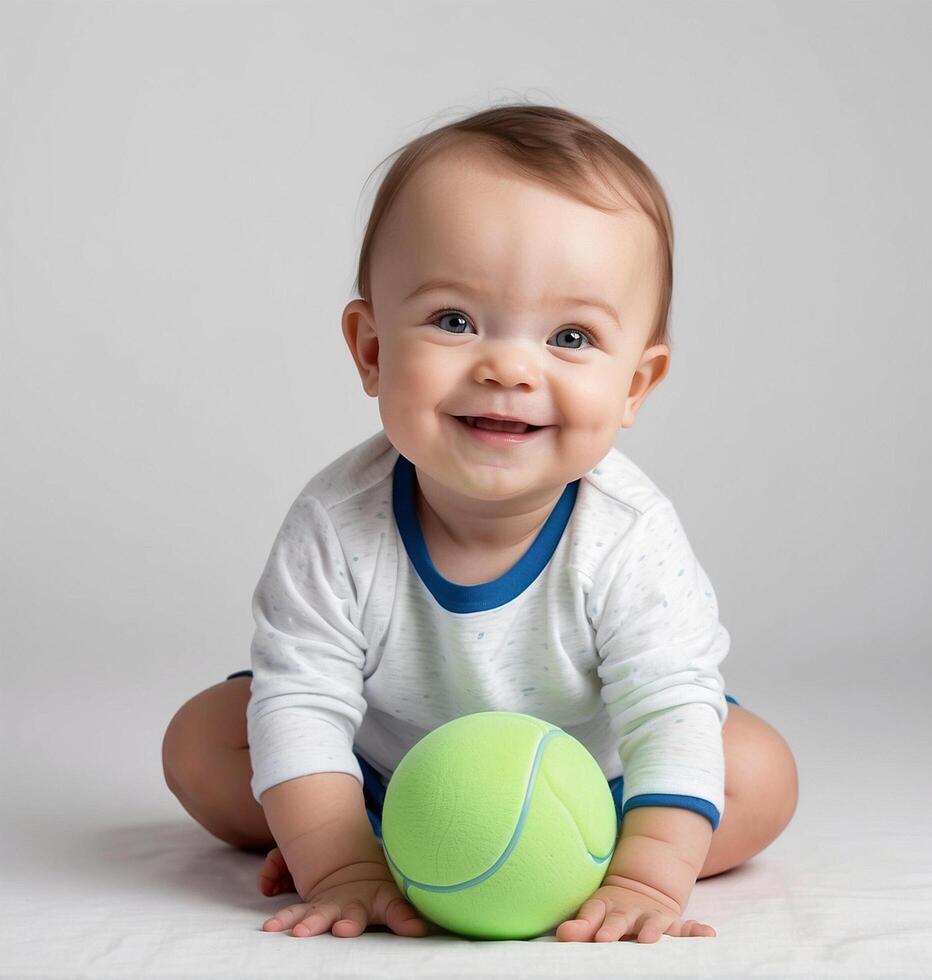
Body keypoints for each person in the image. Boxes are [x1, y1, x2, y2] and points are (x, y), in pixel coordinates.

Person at [161, 103, 798, 944]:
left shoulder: (628, 533)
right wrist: (340, 863)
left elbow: (668, 705)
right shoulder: (336, 521)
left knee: (757, 771)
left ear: (636, 387)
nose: (507, 367)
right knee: (203, 744)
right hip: (382, 768)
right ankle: (373, 840)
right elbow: (304, 699)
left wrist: (650, 874)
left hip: (590, 777)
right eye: (455, 321)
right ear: (372, 350)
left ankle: (575, 852)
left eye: (570, 336)